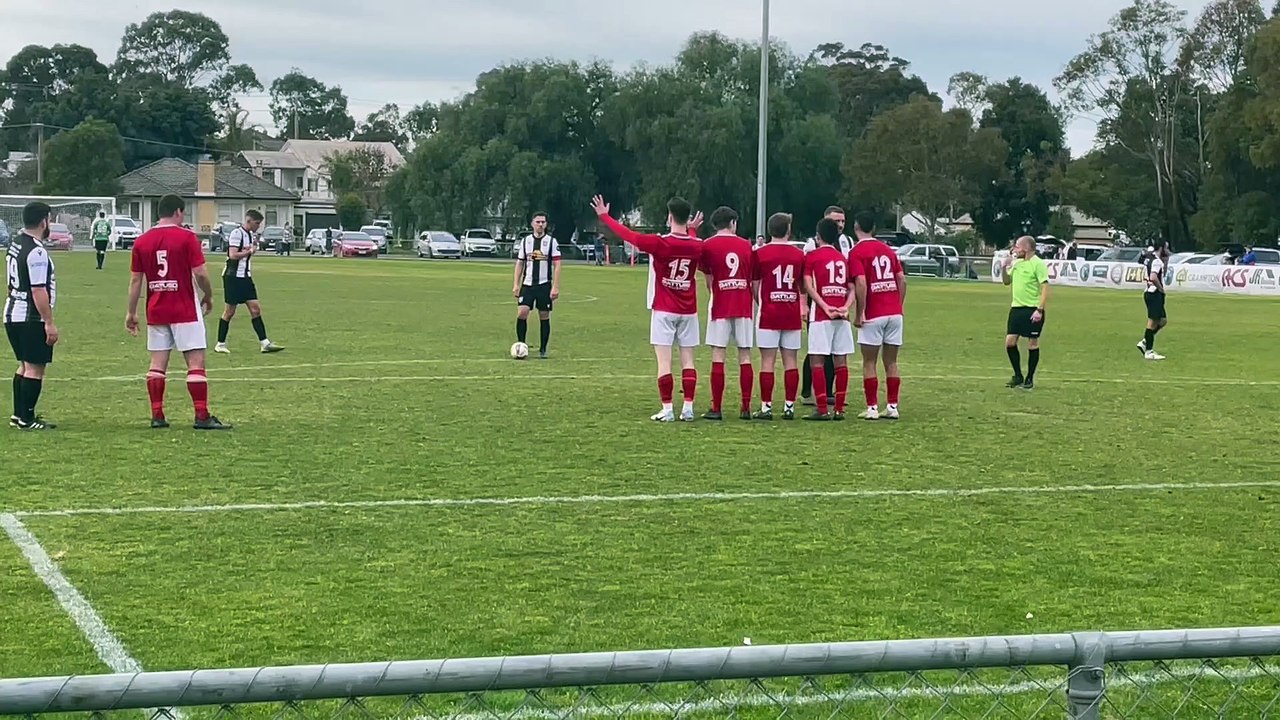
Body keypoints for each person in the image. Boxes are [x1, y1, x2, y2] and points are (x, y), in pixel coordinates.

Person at [590, 194, 704, 422]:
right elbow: (690, 245)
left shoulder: (660, 243)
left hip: (664, 308)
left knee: (664, 361)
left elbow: (629, 235)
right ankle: (688, 408)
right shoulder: (697, 245)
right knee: (688, 360)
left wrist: (605, 216)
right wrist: (692, 231)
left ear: (670, 217)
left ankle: (668, 408)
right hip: (688, 310)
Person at [125, 195, 231, 430]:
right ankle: (201, 415)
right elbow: (201, 273)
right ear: (178, 212)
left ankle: (157, 415)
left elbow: (135, 281)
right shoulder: (186, 237)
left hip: (156, 308)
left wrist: (131, 312)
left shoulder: (142, 241)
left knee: (157, 363)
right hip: (184, 307)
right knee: (195, 362)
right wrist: (209, 295)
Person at [848, 212, 907, 421]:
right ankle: (892, 406)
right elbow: (902, 280)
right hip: (894, 314)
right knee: (891, 361)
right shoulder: (887, 250)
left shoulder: (856, 252)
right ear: (873, 228)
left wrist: (860, 311)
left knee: (869, 362)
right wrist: (897, 305)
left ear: (856, 228)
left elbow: (861, 283)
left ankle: (872, 407)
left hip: (874, 314)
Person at [5, 202, 58, 430]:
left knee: (24, 366)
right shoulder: (36, 251)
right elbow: (38, 289)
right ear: (43, 220)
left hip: (12, 313)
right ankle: (27, 418)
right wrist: (48, 322)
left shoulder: (16, 243)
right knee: (35, 368)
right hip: (30, 317)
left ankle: (19, 415)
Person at [699, 206, 755, 420]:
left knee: (718, 354)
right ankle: (746, 407)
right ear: (733, 223)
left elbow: (708, 279)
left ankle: (716, 407)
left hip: (720, 302)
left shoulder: (708, 245)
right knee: (745, 355)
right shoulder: (746, 245)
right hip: (743, 303)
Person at [752, 212, 806, 420]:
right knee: (790, 360)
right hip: (791, 313)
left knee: (767, 360)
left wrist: (762, 301)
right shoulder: (798, 255)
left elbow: (755, 285)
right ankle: (789, 406)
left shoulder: (760, 254)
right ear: (788, 230)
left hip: (768, 313)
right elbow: (802, 285)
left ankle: (766, 407)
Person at [801, 217, 854, 421]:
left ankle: (822, 408)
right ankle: (839, 409)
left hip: (822, 315)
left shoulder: (812, 256)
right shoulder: (842, 259)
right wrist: (845, 307)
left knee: (817, 359)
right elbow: (851, 288)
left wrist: (824, 306)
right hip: (841, 316)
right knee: (841, 361)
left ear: (818, 235)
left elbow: (808, 285)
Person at [215, 210, 284, 354]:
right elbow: (233, 255)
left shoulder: (249, 235)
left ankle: (264, 343)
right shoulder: (237, 234)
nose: (258, 226)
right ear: (249, 221)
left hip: (245, 277)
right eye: (257, 223)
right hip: (233, 277)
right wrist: (250, 251)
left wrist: (251, 249)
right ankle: (220, 344)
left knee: (255, 309)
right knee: (229, 312)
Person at [1001, 236, 1049, 389]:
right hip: (1016, 308)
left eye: (1017, 246)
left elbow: (1045, 288)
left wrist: (1039, 310)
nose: (1015, 250)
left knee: (1032, 343)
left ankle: (1029, 378)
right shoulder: (1017, 264)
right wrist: (1004, 267)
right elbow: (1006, 282)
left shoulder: (1038, 264)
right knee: (1010, 342)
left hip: (1032, 309)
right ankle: (1018, 375)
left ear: (1026, 248)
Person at [512, 212, 562, 359]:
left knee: (544, 316)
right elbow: (520, 262)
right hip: (527, 284)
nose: (540, 224)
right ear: (532, 223)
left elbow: (557, 264)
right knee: (522, 313)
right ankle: (521, 345)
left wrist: (555, 286)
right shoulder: (525, 241)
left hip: (544, 285)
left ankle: (543, 349)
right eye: (538, 222)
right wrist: (516, 284)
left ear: (546, 224)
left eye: (543, 222)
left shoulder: (552, 242)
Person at [1138, 242, 1170, 361]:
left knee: (1162, 321)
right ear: (1161, 248)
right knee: (1152, 322)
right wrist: (1161, 289)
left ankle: (1145, 341)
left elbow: (1162, 274)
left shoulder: (1151, 259)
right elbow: (1153, 277)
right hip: (1154, 293)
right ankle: (1149, 351)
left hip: (1151, 292)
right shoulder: (1156, 261)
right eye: (1166, 247)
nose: (1168, 250)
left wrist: (1166, 261)